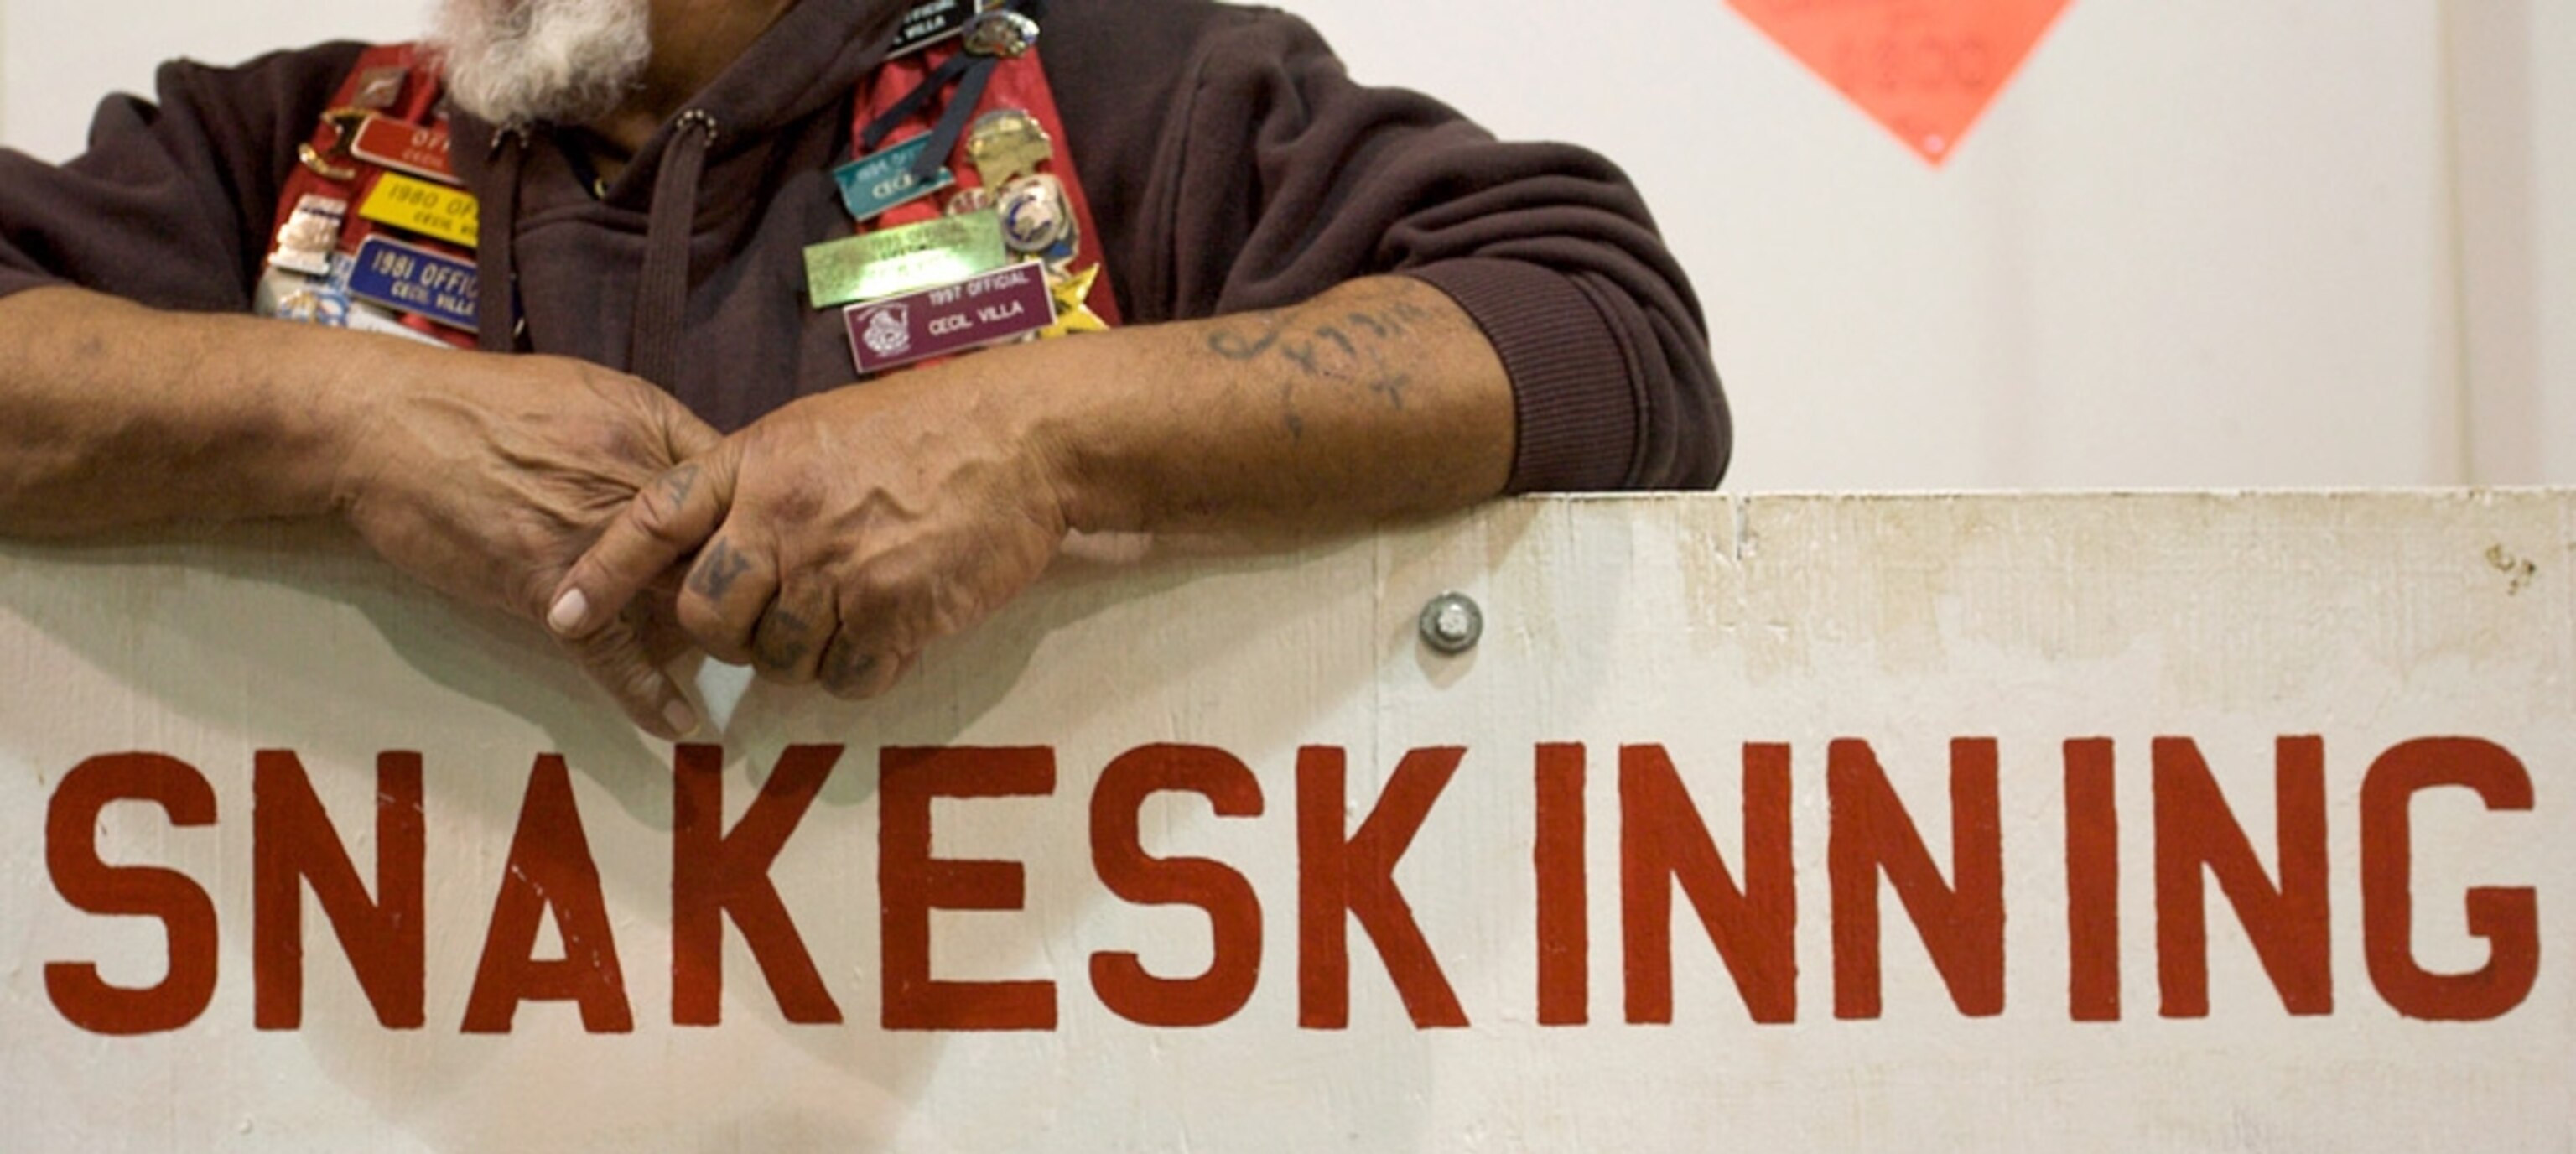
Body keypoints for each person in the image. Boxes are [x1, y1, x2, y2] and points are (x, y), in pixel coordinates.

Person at [0, 0, 1728, 737]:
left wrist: (1035, 439)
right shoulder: (279, 144)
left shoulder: (1118, 94)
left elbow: (1602, 330)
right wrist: (344, 421)